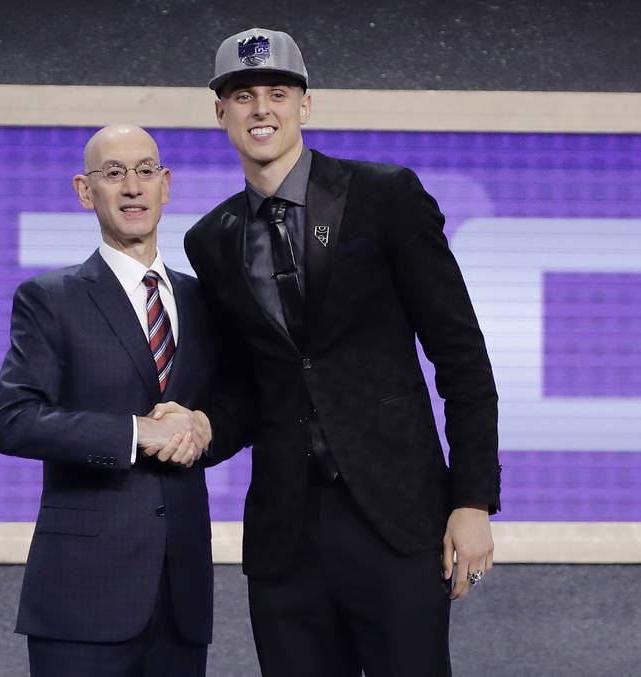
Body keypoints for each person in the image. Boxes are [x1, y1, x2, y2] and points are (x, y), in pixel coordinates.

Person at [179, 27, 501, 677]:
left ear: (305, 105)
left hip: (396, 520)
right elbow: (250, 383)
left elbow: (460, 354)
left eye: (277, 92)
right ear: (220, 113)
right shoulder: (209, 240)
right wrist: (202, 424)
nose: (260, 108)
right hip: (284, 535)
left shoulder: (385, 196)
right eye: (242, 96)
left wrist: (471, 500)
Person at [0, 124, 219, 677]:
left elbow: (238, 405)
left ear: (166, 185)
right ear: (84, 191)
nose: (132, 187)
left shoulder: (206, 301)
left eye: (145, 171)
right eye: (113, 173)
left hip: (181, 594)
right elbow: (13, 421)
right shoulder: (49, 298)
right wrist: (137, 433)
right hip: (81, 598)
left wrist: (208, 424)